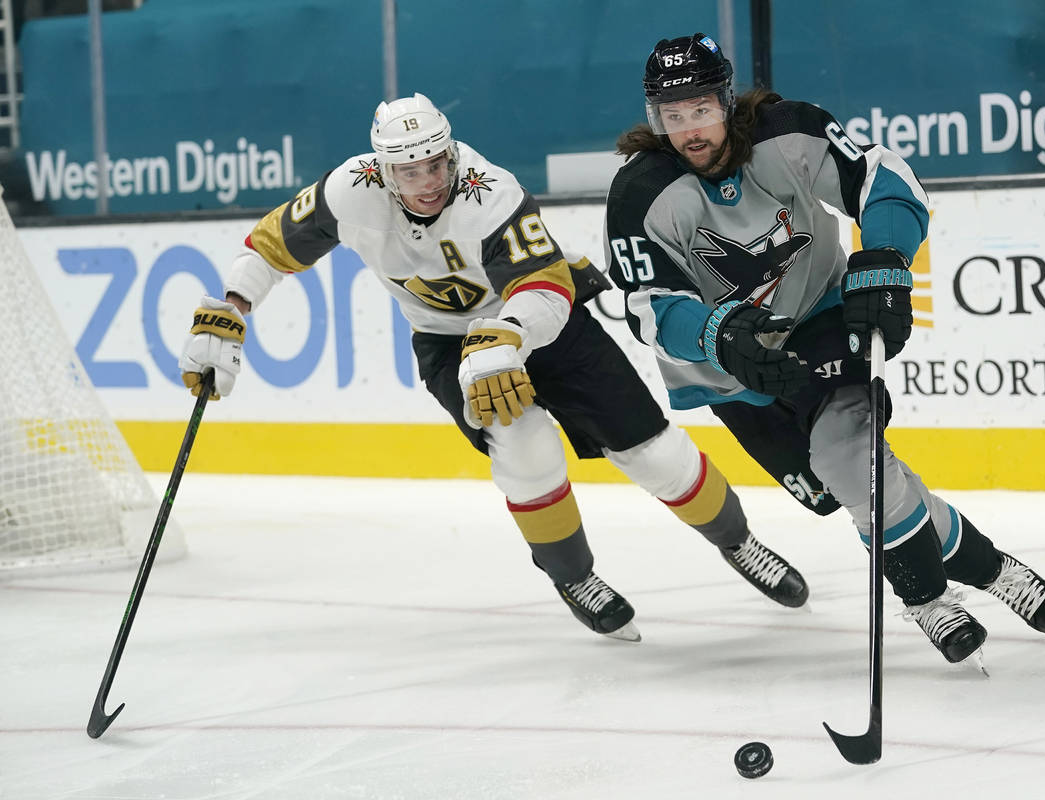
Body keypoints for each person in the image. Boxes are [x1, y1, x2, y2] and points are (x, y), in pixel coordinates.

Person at [178, 92, 822, 643]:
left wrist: (504, 337)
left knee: (652, 452)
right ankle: (573, 575)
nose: (429, 180)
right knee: (525, 445)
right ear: (382, 171)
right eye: (410, 171)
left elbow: (544, 285)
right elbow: (268, 246)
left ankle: (737, 540)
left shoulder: (491, 191)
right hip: (447, 343)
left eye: (436, 162)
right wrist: (230, 309)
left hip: (541, 325)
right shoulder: (348, 191)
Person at [604, 33, 1045, 664]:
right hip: (730, 371)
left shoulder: (788, 131)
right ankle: (992, 569)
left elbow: (886, 177)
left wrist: (883, 257)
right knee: (850, 488)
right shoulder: (640, 192)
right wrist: (716, 333)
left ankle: (929, 602)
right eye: (672, 115)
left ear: (726, 101)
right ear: (654, 118)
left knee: (849, 460)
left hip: (820, 317)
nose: (689, 129)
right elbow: (649, 307)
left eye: (701, 110)